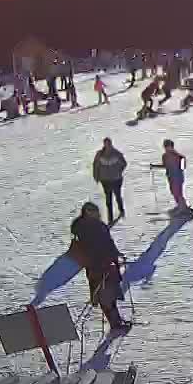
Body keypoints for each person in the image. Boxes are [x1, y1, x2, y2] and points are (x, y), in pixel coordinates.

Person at [69, 201, 132, 333]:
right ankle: (115, 323)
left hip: (100, 265)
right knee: (106, 294)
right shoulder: (89, 227)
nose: (97, 214)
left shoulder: (85, 226)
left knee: (109, 293)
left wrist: (116, 255)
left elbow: (108, 242)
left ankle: (116, 320)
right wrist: (113, 255)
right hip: (99, 265)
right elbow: (104, 244)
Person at [92, 137, 129, 223]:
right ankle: (110, 217)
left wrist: (118, 171)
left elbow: (124, 163)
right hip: (105, 180)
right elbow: (95, 166)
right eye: (106, 144)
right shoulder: (99, 154)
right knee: (108, 199)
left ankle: (121, 210)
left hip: (116, 179)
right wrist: (96, 176)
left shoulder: (117, 154)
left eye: (108, 144)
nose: (107, 146)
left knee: (118, 196)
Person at [159, 139, 191, 214]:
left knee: (178, 192)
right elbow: (165, 166)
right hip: (171, 177)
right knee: (174, 192)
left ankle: (183, 208)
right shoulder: (165, 156)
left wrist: (180, 168)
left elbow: (183, 163)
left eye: (168, 146)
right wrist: (154, 166)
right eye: (166, 147)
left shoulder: (177, 155)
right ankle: (181, 206)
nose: (167, 148)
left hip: (177, 176)